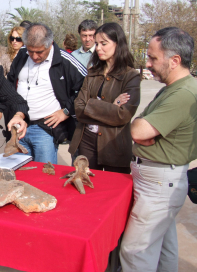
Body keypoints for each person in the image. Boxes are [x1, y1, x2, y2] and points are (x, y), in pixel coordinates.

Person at [120, 27, 197, 272]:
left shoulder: (182, 93)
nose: (148, 63)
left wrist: (142, 130)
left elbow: (138, 131)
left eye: (153, 58)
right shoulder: (171, 88)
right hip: (159, 180)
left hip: (160, 183)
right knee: (163, 246)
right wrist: (142, 128)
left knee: (136, 252)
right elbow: (139, 123)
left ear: (175, 61)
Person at [0, 23, 87, 164]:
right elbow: (9, 83)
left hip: (45, 130)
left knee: (44, 175)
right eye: (31, 51)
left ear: (50, 44)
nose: (34, 56)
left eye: (39, 52)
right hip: (19, 126)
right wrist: (0, 108)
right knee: (19, 172)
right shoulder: (22, 53)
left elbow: (86, 89)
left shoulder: (65, 60)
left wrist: (66, 111)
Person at [68, 22, 141, 173]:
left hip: (114, 144)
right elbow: (79, 107)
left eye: (103, 43)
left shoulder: (130, 75)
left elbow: (123, 114)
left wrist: (91, 105)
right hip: (86, 141)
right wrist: (110, 107)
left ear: (118, 43)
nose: (98, 48)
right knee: (85, 187)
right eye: (97, 44)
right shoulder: (92, 72)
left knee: (113, 190)